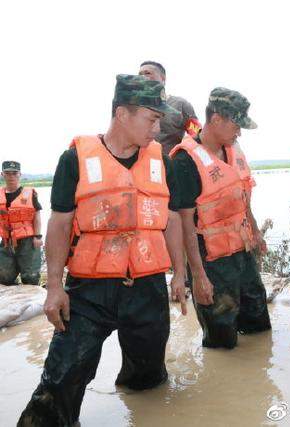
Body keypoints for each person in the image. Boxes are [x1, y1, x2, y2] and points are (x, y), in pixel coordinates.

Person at [18, 75, 187, 426]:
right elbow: (60, 224)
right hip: (90, 291)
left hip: (147, 288)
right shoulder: (75, 159)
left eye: (159, 121)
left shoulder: (162, 162)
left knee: (149, 381)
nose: (157, 129)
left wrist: (180, 275)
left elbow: (171, 220)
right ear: (122, 114)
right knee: (61, 380)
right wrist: (53, 287)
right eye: (151, 119)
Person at [171, 87, 271, 349]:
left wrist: (256, 232)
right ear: (216, 120)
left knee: (259, 326)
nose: (239, 132)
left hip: (243, 250)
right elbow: (184, 226)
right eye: (237, 125)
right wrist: (198, 276)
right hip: (211, 261)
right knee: (222, 342)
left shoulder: (234, 150)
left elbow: (242, 195)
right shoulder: (185, 161)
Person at [139, 60, 201, 155]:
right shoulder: (134, 106)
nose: (142, 77)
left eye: (147, 73)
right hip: (139, 165)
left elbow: (197, 136)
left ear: (163, 79)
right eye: (140, 74)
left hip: (169, 165)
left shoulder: (181, 105)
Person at [0, 161, 43, 285]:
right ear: (2, 174)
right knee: (4, 277)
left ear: (20, 174)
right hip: (6, 241)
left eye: (15, 173)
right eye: (8, 173)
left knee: (30, 277)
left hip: (28, 241)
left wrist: (37, 236)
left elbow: (37, 216)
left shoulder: (30, 194)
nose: (11, 176)